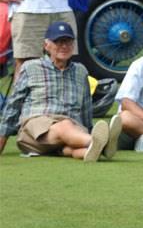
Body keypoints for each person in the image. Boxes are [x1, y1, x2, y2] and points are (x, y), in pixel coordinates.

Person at [0, 22, 118, 161]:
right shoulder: (31, 67)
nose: (64, 46)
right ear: (46, 45)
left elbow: (86, 108)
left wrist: (88, 128)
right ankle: (101, 142)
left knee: (71, 145)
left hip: (72, 128)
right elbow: (14, 105)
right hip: (36, 128)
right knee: (65, 126)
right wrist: (2, 139)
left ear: (73, 45)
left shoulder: (81, 71)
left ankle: (92, 150)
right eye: (58, 42)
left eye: (68, 42)